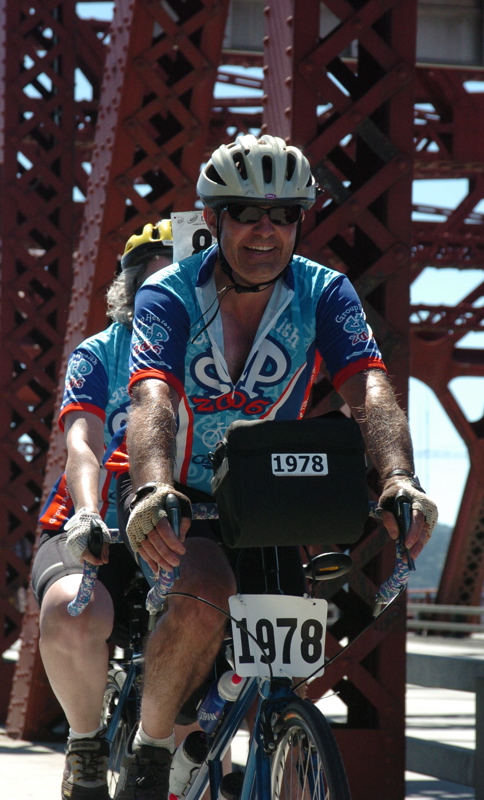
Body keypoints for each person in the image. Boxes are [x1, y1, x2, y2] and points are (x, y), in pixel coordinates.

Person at [112, 134, 438, 800]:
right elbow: (151, 399)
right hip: (177, 491)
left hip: (265, 493)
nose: (267, 229)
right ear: (214, 219)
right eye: (247, 213)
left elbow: (369, 391)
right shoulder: (168, 293)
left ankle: (264, 737)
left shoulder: (324, 292)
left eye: (285, 214)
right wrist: (152, 487)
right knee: (205, 591)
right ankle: (150, 754)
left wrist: (399, 477)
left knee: (284, 638)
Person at [31, 220, 174, 800]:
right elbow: (83, 444)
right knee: (72, 611)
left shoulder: (224, 352)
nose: (172, 296)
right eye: (157, 284)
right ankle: (86, 744)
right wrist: (89, 512)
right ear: (132, 291)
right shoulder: (100, 353)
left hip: (178, 524)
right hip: (98, 524)